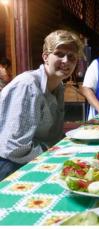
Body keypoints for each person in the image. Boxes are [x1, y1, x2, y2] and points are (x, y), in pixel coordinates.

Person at [0, 30, 84, 181]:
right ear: (45, 57)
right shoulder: (28, 85)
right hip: (9, 165)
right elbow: (15, 148)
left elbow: (55, 135)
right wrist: (56, 152)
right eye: (59, 54)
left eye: (72, 57)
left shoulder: (58, 86)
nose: (66, 61)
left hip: (37, 158)